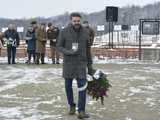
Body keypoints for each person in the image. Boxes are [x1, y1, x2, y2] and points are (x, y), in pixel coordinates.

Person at [57, 12, 90, 119]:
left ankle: (81, 110)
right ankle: (72, 105)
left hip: (81, 64)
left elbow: (88, 49)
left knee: (83, 87)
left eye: (78, 21)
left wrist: (90, 65)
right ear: (71, 21)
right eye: (74, 21)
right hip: (69, 64)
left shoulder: (85, 32)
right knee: (68, 87)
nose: (77, 23)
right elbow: (59, 47)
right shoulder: (64, 31)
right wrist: (69, 52)